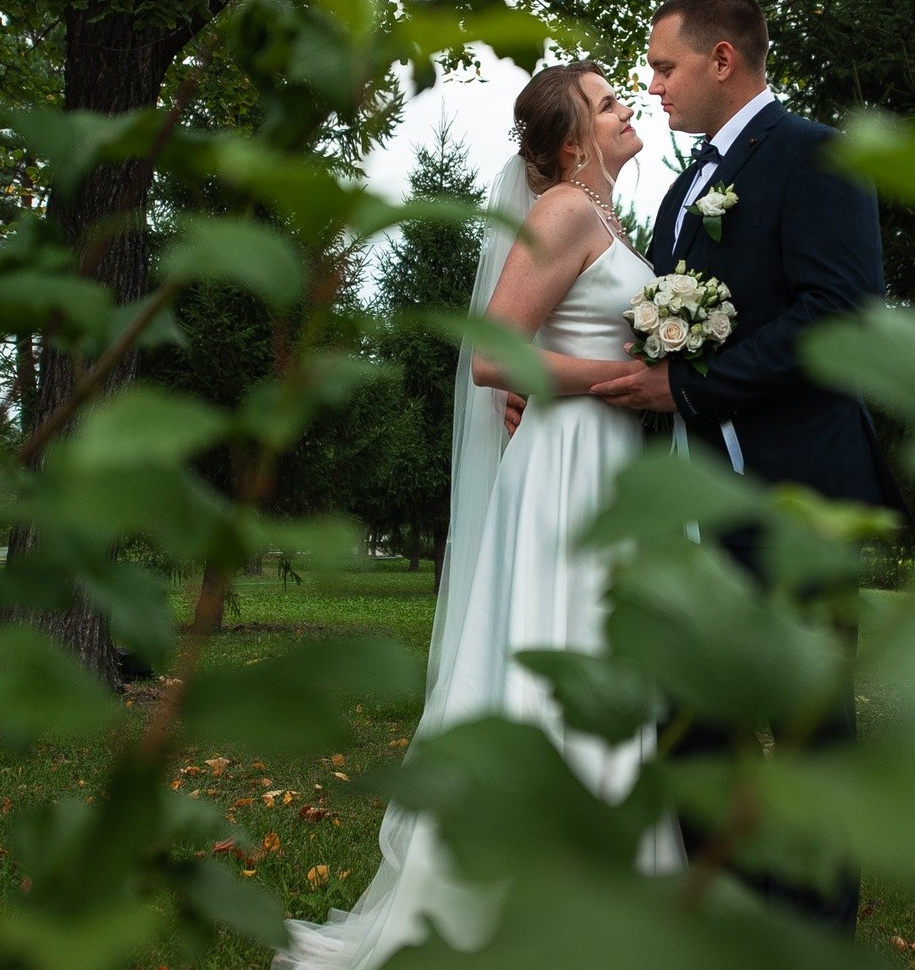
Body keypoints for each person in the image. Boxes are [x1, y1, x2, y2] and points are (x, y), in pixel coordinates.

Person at [276, 61, 681, 970]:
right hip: (567, 464)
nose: (629, 108)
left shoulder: (605, 215)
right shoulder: (564, 211)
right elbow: (497, 356)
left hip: (603, 461)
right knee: (557, 654)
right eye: (610, 102)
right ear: (573, 141)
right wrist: (630, 382)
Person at [591, 0, 901, 937]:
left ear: (723, 60)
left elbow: (837, 316)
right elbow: (659, 328)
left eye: (665, 66)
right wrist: (566, 383)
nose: (655, 87)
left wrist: (688, 390)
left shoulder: (815, 156)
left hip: (797, 493)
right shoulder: (684, 190)